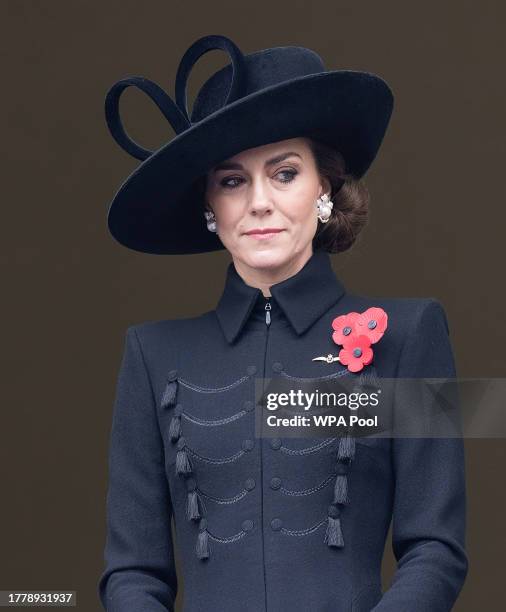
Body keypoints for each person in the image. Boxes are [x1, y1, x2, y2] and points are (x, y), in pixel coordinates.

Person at [98, 34, 468, 612]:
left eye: (285, 172)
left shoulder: (409, 333)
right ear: (209, 206)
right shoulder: (150, 355)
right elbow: (131, 573)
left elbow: (436, 550)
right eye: (232, 180)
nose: (259, 202)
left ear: (325, 186)